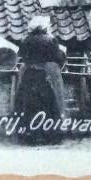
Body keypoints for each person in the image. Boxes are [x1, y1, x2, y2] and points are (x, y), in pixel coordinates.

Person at [14, 15, 67, 144]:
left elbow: (22, 56)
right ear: (44, 27)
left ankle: (29, 136)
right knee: (49, 106)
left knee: (28, 106)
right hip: (44, 75)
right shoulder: (51, 40)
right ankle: (49, 136)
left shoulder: (25, 40)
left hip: (29, 76)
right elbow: (58, 58)